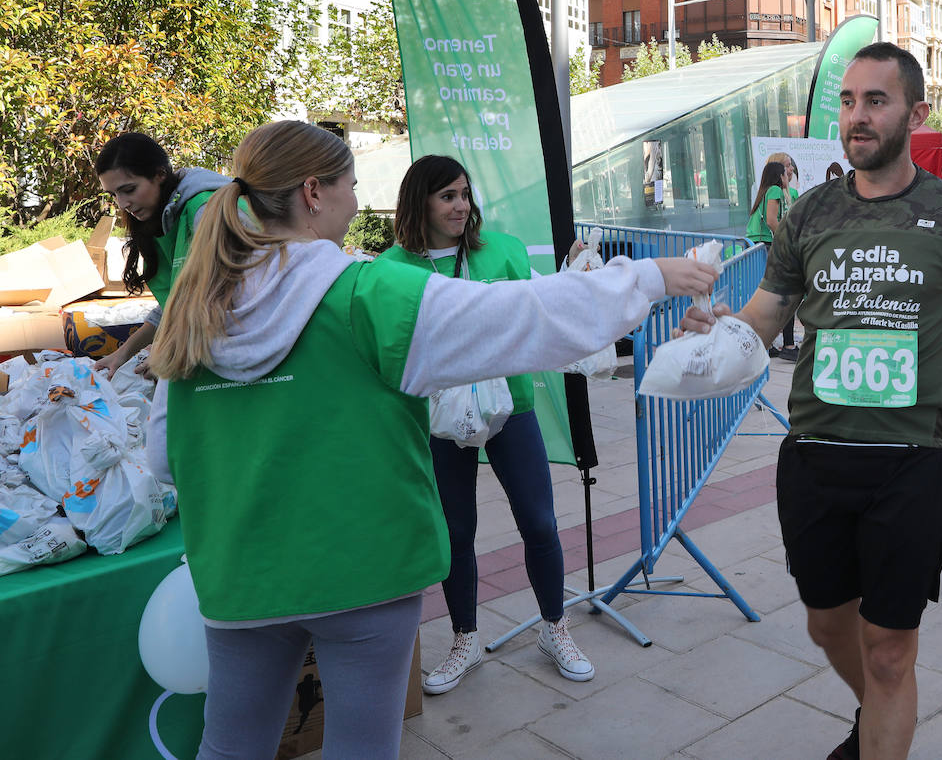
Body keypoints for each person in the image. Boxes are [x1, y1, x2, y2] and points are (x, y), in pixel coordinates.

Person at [145, 121, 717, 760]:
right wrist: (648, 278)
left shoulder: (194, 310)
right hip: (363, 573)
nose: (357, 203)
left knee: (230, 748)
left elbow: (162, 457)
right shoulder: (365, 294)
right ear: (313, 193)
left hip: (237, 575)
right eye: (351, 186)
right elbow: (520, 319)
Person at [679, 43, 942, 760]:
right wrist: (714, 330)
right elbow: (763, 316)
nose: (857, 116)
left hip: (907, 461)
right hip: (814, 455)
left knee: (888, 650)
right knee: (827, 626)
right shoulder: (810, 213)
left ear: (916, 112)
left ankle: (885, 711)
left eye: (875, 101)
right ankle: (882, 712)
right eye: (849, 101)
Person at [377, 155, 596, 693]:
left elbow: (539, 307)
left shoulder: (502, 250)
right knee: (456, 533)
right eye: (447, 195)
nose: (460, 205)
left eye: (464, 194)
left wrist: (575, 279)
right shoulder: (393, 267)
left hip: (510, 405)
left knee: (540, 523)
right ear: (419, 201)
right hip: (438, 416)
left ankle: (555, 628)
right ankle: (465, 639)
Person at [92, 133, 229, 375]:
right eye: (113, 195)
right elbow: (174, 305)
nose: (122, 203)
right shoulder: (162, 219)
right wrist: (123, 353)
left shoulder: (206, 211)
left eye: (129, 189)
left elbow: (231, 298)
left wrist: (174, 351)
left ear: (160, 175)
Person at [746, 160, 800, 361]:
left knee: (769, 297)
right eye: (786, 173)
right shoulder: (776, 191)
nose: (788, 176)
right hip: (765, 245)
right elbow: (771, 220)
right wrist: (787, 241)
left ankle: (768, 344)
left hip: (756, 245)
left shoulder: (767, 191)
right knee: (783, 294)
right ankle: (788, 344)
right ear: (780, 177)